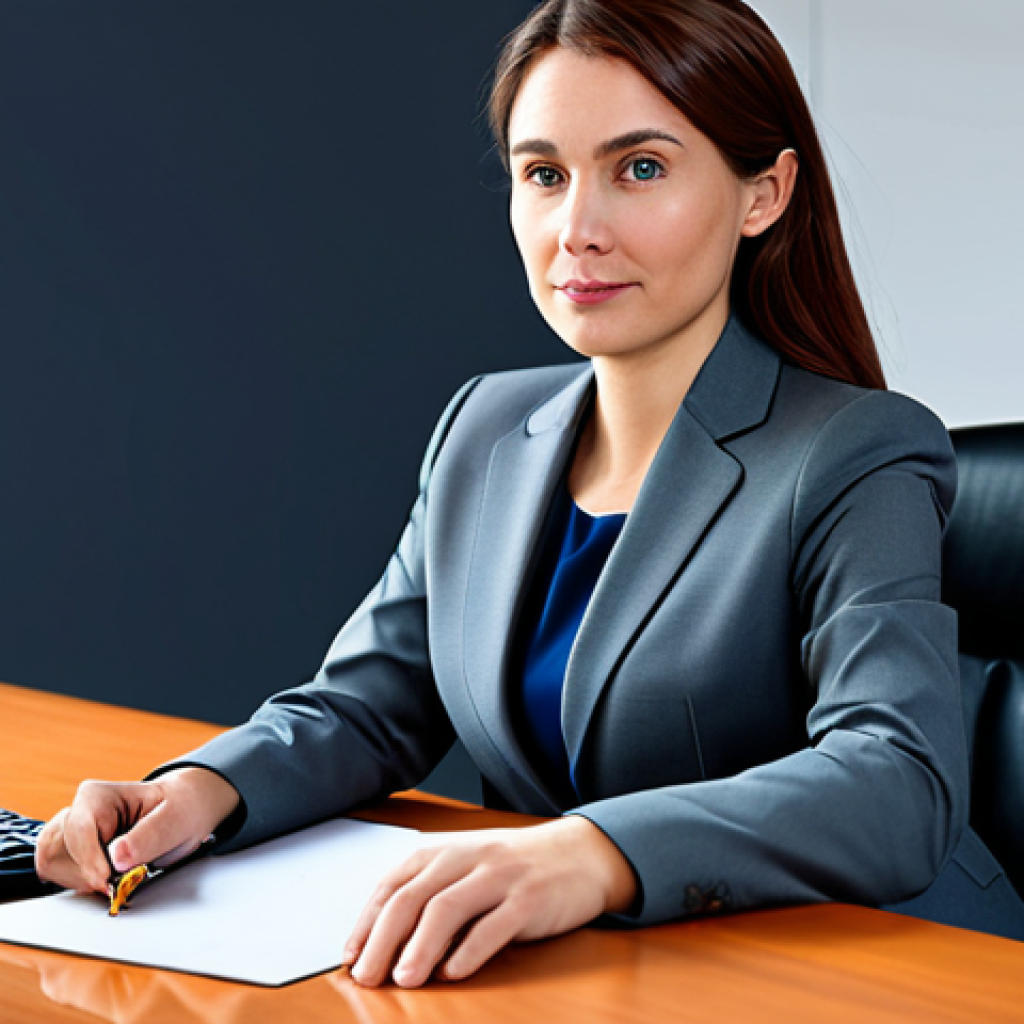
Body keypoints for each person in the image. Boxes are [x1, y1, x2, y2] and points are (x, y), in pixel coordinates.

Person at [33, 0, 1024, 988]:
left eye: (640, 169)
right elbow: (370, 705)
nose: (576, 231)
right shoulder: (485, 426)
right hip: (592, 972)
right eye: (544, 175)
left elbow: (895, 778)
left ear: (763, 193)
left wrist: (591, 852)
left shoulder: (855, 450)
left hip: (871, 969)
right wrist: (201, 792)